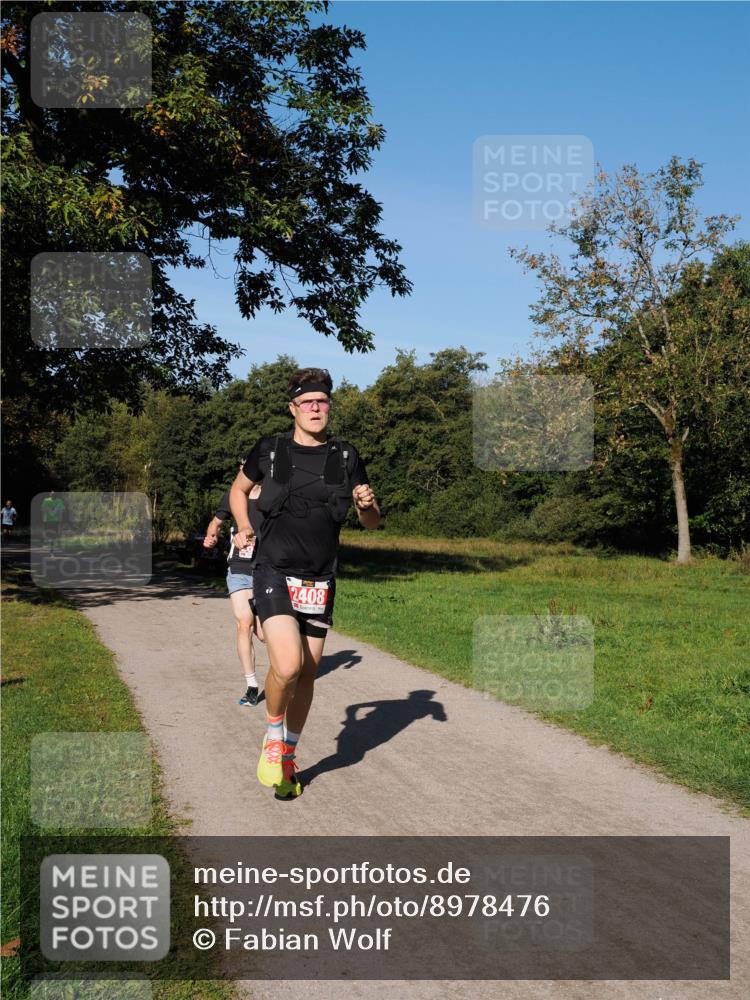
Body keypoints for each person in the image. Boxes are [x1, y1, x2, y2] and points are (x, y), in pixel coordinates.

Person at [230, 367, 380, 800]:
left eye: (323, 401)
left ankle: (289, 756)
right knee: (289, 666)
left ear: (329, 406)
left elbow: (371, 523)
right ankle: (273, 738)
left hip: (320, 579)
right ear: (292, 408)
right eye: (307, 402)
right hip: (273, 570)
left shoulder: (346, 456)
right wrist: (243, 526)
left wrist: (366, 506)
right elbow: (238, 491)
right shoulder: (270, 450)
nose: (316, 408)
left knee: (308, 674)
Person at [203, 473, 266, 707]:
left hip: (267, 571)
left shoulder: (273, 495)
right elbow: (215, 524)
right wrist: (211, 537)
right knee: (244, 622)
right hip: (240, 568)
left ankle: (285, 674)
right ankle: (251, 685)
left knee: (265, 635)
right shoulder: (232, 496)